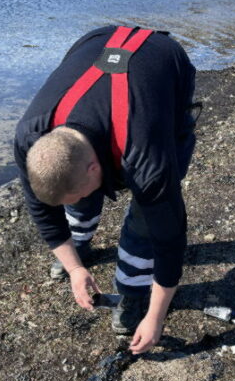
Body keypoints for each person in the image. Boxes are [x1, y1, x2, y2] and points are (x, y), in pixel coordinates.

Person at [13, 25, 197, 355]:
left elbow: (170, 239)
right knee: (72, 190)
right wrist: (75, 268)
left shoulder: (147, 162)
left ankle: (132, 291)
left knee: (146, 219)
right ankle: (80, 246)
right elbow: (43, 208)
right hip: (97, 41)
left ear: (96, 167)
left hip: (165, 62)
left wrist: (156, 317)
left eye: (83, 193)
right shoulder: (31, 140)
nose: (79, 200)